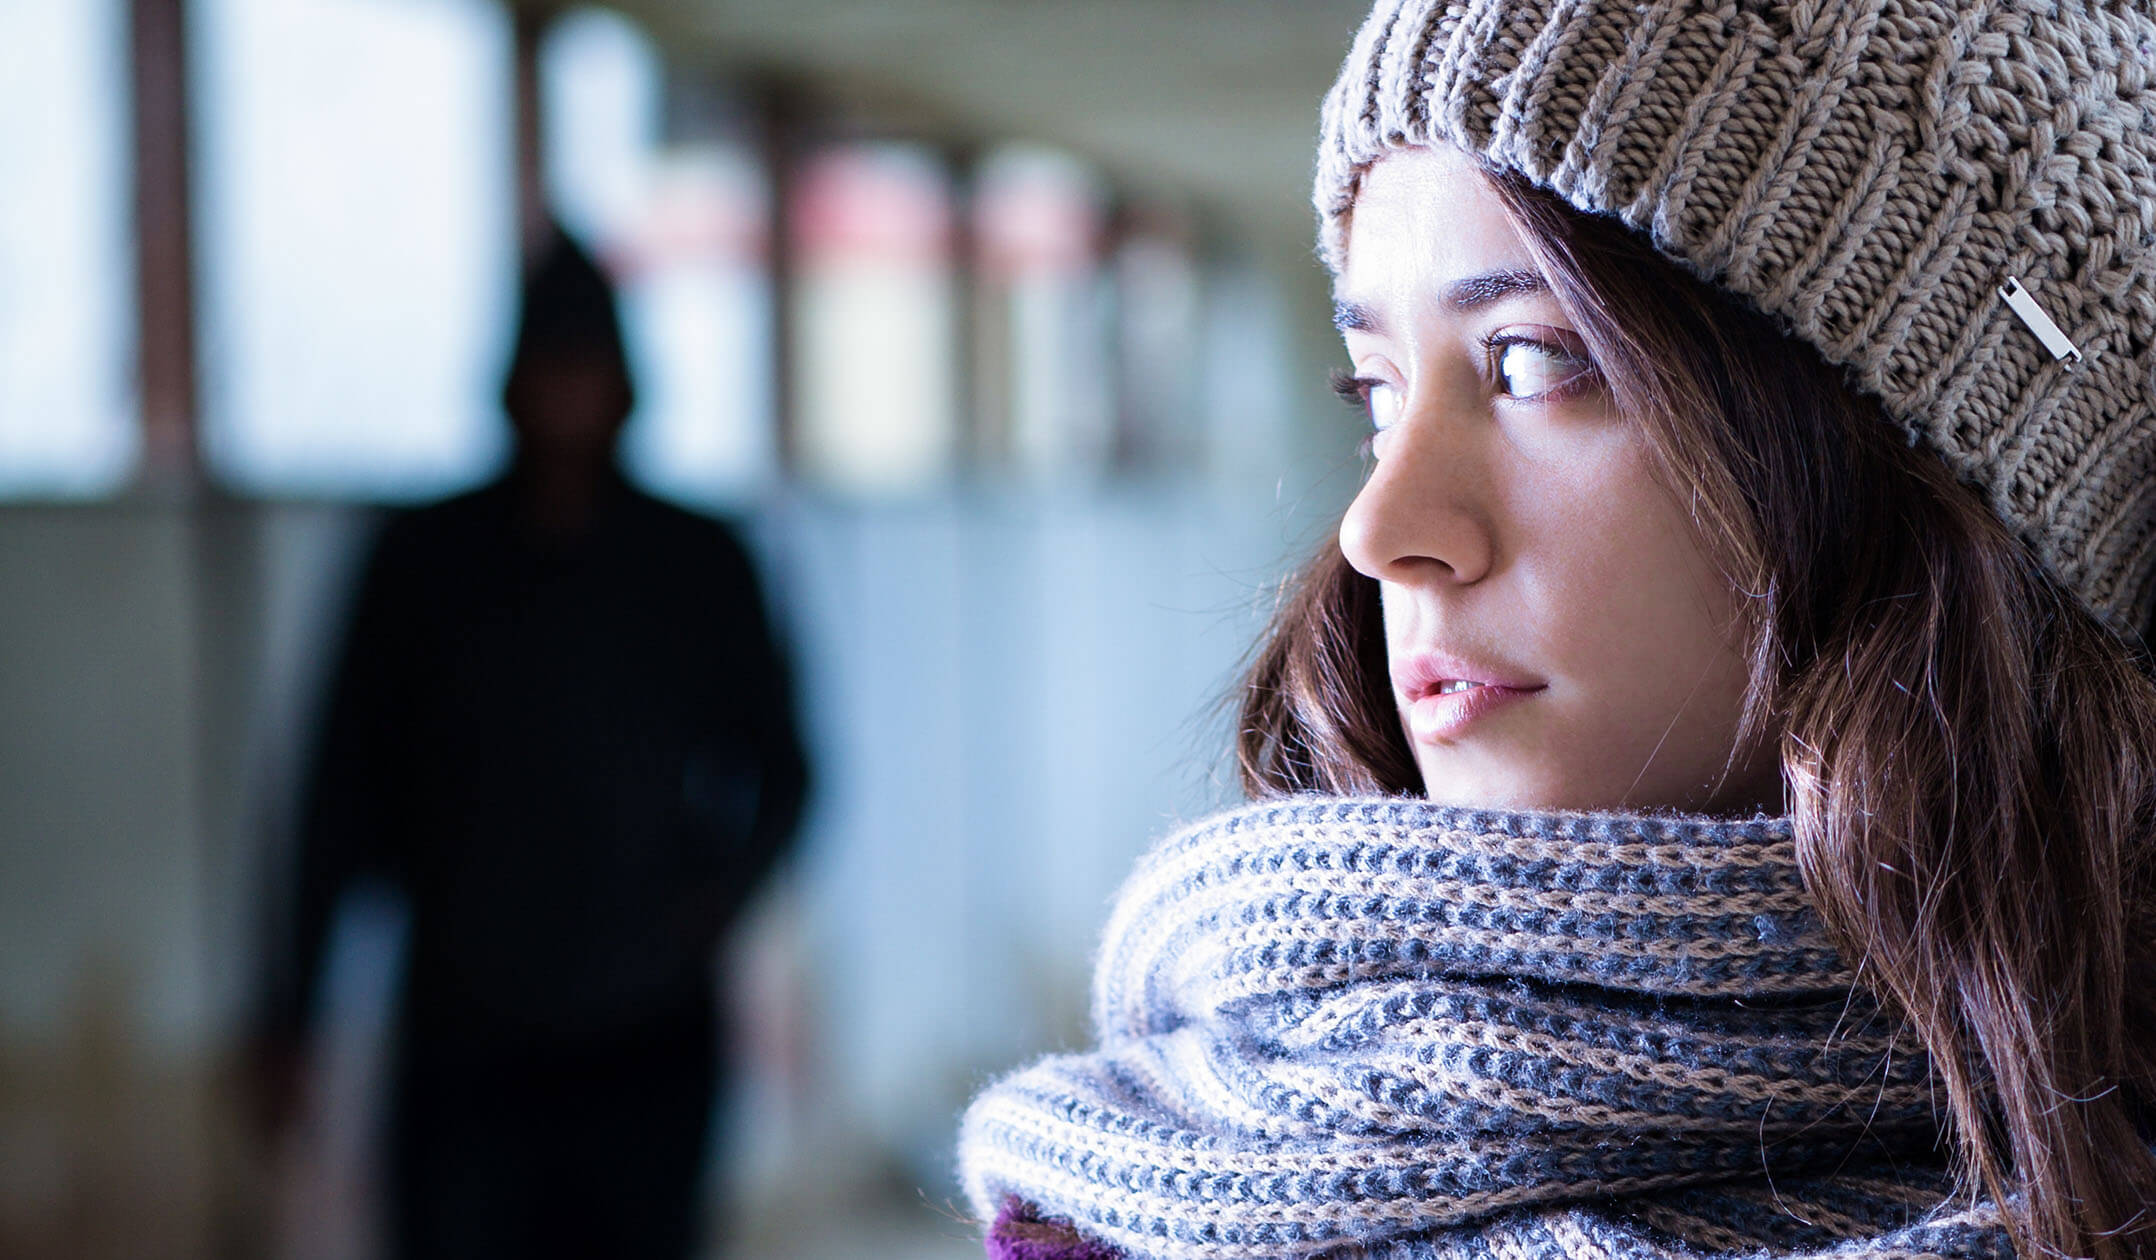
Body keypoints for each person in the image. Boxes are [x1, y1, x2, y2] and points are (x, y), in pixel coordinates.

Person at [956, 2, 2156, 1259]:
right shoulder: (1120, 1210)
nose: (1379, 531)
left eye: (1529, 364)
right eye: (1376, 391)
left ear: (1916, 476)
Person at [253, 227, 810, 1260]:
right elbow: (337, 793)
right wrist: (290, 1008)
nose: (568, 393)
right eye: (549, 365)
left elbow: (786, 772)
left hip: (646, 1033)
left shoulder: (694, 561)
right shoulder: (424, 562)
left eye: (586, 365)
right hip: (467, 1034)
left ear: (623, 381)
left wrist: (706, 907)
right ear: (511, 378)